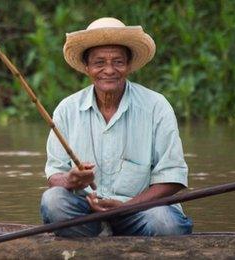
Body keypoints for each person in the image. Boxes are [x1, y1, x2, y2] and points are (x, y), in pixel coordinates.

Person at [40, 17, 193, 237]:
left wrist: (126, 207)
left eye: (118, 62)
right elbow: (54, 176)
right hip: (87, 214)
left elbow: (172, 178)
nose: (109, 70)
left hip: (141, 212)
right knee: (53, 200)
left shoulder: (156, 106)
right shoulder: (67, 109)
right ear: (87, 67)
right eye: (99, 62)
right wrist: (71, 180)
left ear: (129, 65)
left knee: (166, 224)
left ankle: (104, 235)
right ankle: (98, 232)